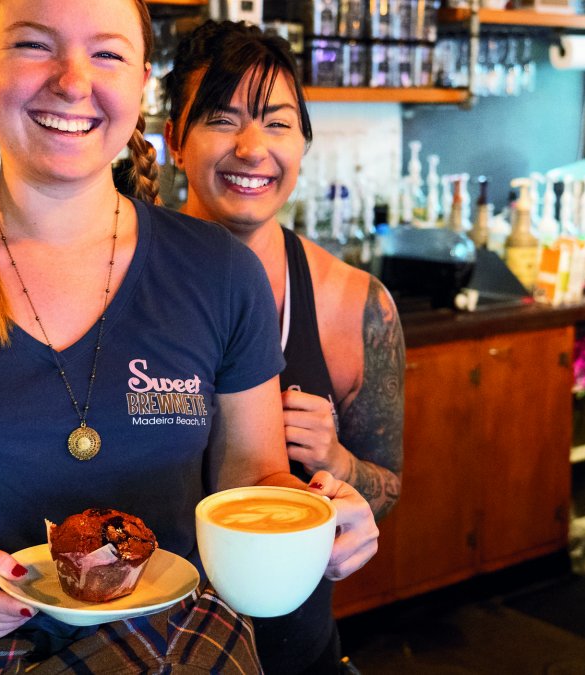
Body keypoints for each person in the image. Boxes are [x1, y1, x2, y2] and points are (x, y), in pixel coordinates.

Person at [0, 1, 377, 672]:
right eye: (35, 45)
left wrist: (318, 513)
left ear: (143, 82)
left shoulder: (220, 272)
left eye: (107, 53)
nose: (72, 80)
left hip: (182, 650)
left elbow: (251, 476)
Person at [162, 21, 405, 674]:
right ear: (173, 141)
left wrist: (337, 465)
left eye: (276, 122)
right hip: (138, 648)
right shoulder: (113, 280)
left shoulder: (353, 303)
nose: (252, 148)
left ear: (303, 142)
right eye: (220, 118)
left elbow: (387, 484)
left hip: (293, 650)